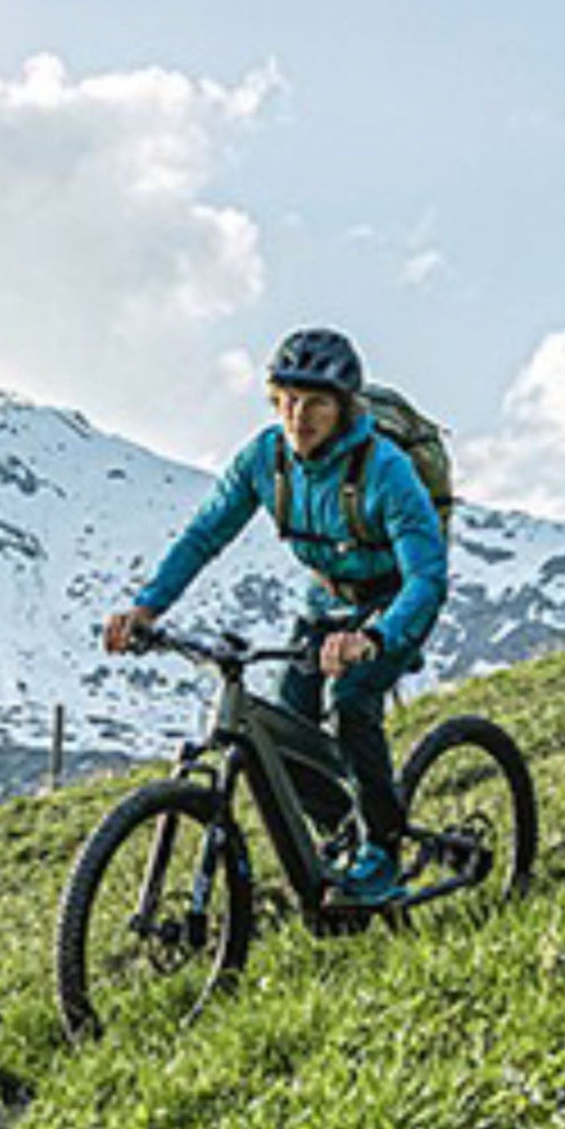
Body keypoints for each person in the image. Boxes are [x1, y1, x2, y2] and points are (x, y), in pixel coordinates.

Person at [102, 327, 448, 904]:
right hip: (323, 604)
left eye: (315, 402)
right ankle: (344, 834)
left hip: (391, 603)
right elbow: (204, 534)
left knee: (352, 703)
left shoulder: (384, 469)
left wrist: (376, 637)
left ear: (345, 407)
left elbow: (427, 578)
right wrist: (147, 607)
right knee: (289, 735)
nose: (299, 415)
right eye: (286, 399)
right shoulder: (266, 459)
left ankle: (382, 853)